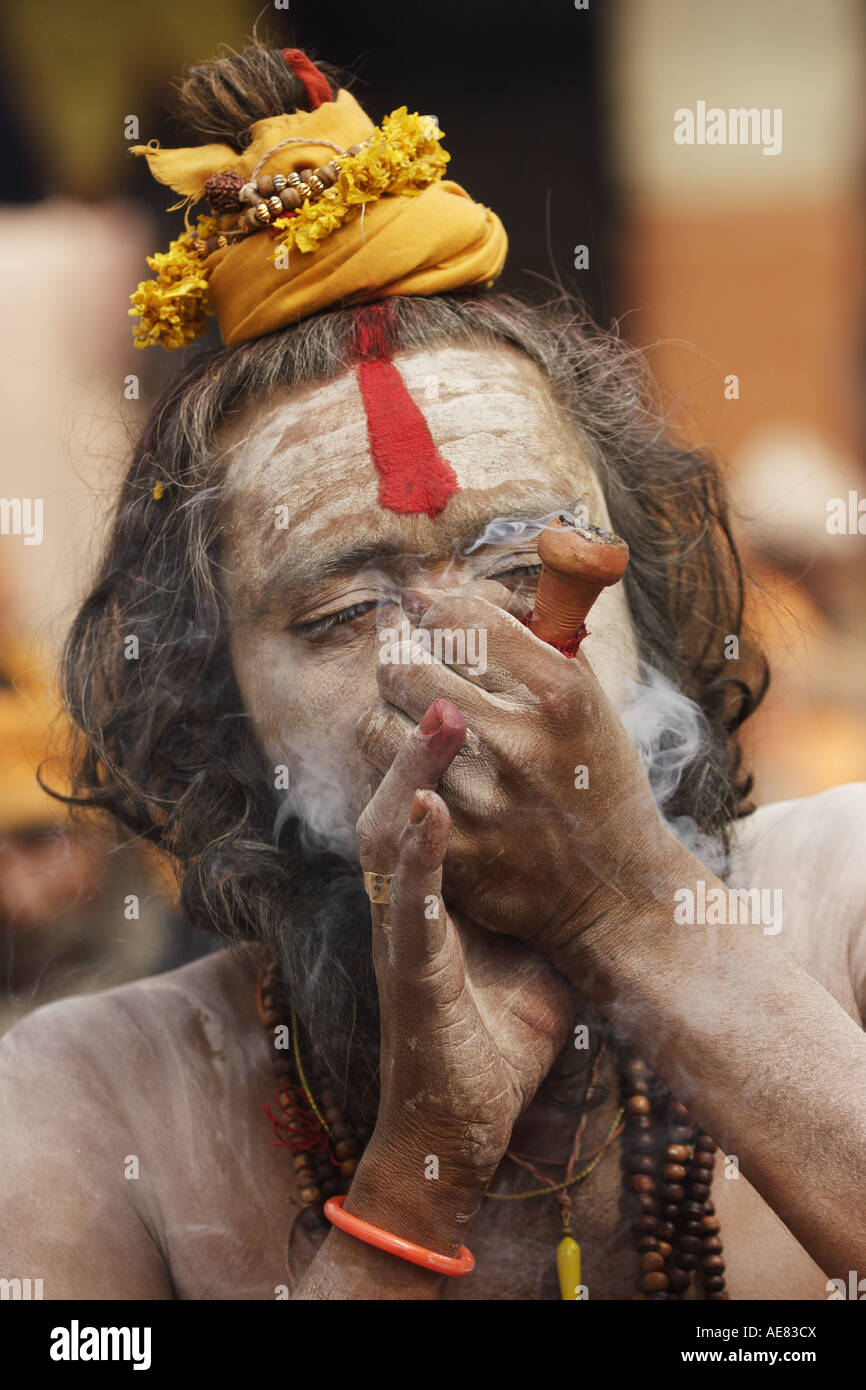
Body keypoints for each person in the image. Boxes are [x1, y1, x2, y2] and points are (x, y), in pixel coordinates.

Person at [0, 41, 863, 1302]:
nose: (459, 663)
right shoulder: (88, 1096)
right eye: (345, 608)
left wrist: (627, 915)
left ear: (647, 594)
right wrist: (419, 1170)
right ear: (216, 704)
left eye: (527, 563)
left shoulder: (844, 901)